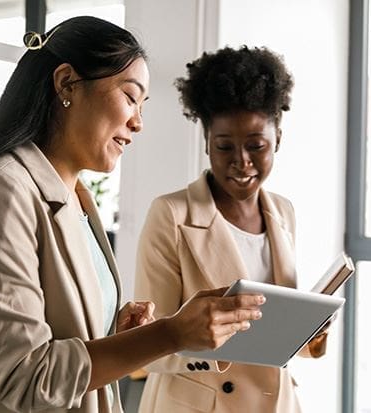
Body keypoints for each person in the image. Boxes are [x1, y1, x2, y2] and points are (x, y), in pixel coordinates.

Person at [0, 17, 265, 413]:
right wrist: (169, 334)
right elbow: (27, 379)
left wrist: (117, 331)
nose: (138, 122)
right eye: (130, 97)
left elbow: (61, 335)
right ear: (66, 84)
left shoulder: (78, 200)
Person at [134, 45, 328, 412]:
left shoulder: (283, 212)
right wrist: (214, 343)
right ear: (207, 142)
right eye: (225, 147)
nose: (242, 162)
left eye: (257, 146)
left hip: (276, 402)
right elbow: (148, 344)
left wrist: (308, 335)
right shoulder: (170, 215)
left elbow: (271, 328)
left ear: (278, 141)